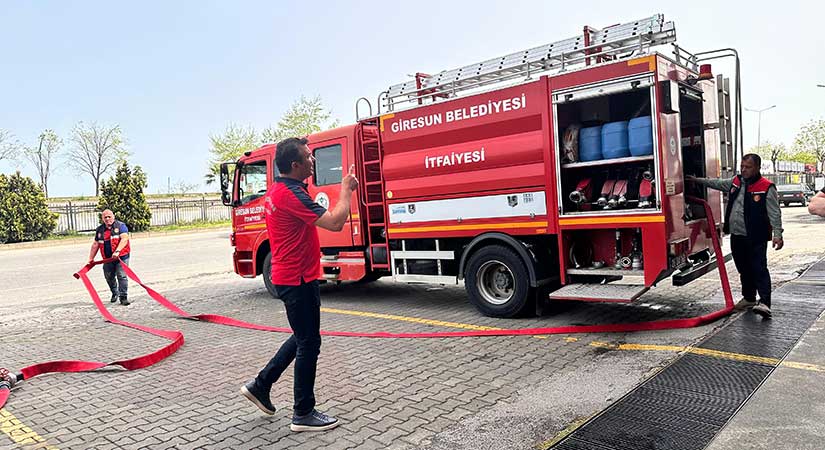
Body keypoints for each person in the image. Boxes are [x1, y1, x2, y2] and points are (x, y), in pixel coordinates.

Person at [240, 137, 357, 432]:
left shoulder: (279, 191)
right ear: (295, 165)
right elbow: (334, 222)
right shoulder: (290, 195)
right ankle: (303, 412)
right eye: (308, 156)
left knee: (302, 336)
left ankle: (260, 385)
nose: (313, 160)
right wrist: (345, 191)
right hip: (298, 279)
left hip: (292, 276)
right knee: (309, 342)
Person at [686, 154, 783, 319]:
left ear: (757, 167)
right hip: (737, 236)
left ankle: (765, 303)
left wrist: (777, 234)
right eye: (742, 166)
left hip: (756, 236)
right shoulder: (735, 182)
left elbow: (775, 213)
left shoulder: (766, 187)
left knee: (759, 269)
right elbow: (716, 183)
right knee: (744, 269)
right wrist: (697, 180)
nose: (744, 170)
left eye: (748, 167)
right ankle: (749, 298)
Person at [88, 209, 132, 306]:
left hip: (121, 256)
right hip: (107, 258)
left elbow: (124, 238)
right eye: (105, 217)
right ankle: (114, 293)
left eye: (109, 216)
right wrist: (91, 258)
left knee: (122, 276)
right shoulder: (100, 230)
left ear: (113, 216)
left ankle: (123, 297)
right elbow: (96, 244)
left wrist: (117, 251)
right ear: (102, 219)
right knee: (109, 276)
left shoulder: (120, 226)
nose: (107, 219)